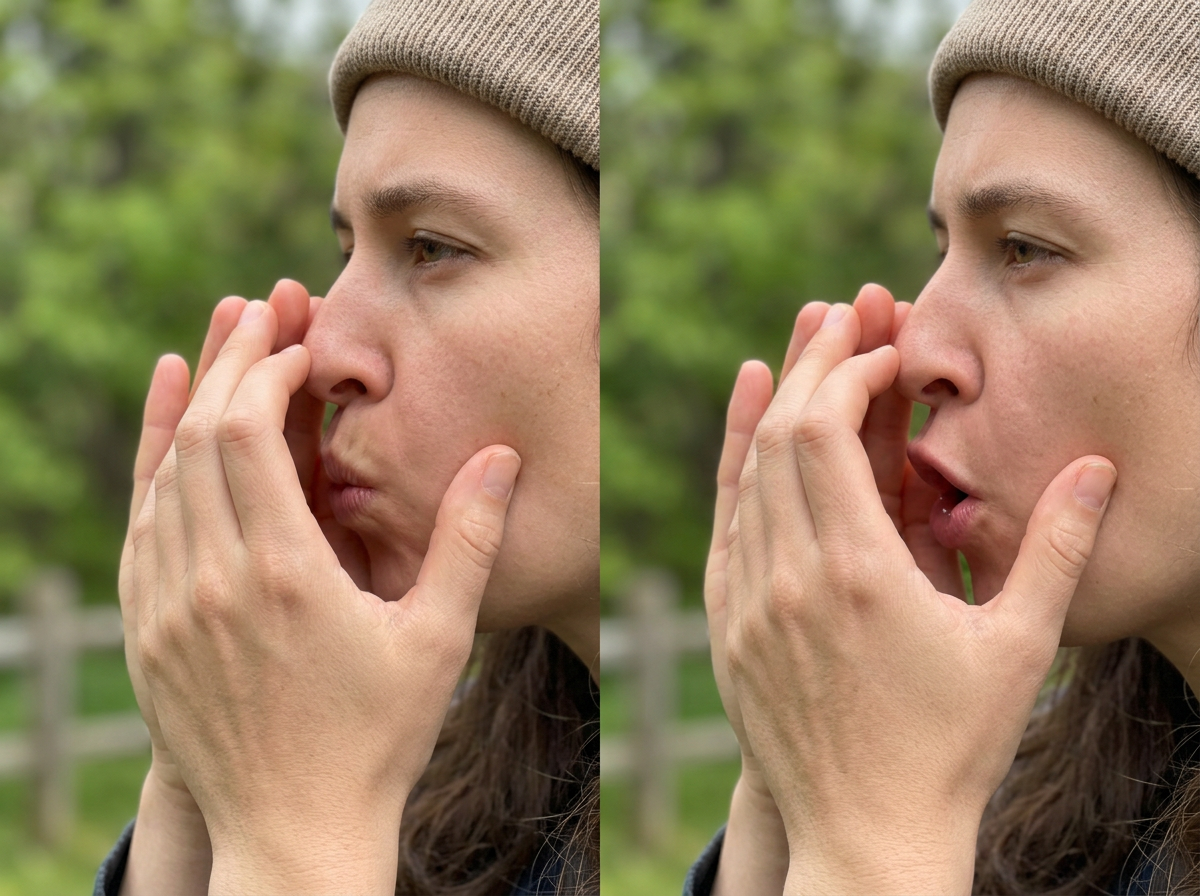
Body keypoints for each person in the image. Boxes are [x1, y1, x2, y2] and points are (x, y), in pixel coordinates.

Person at [688, 0, 1200, 893]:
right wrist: (790, 781)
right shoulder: (1048, 805)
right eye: (945, 248)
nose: (918, 351)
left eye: (1024, 248)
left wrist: (871, 845)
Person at [94, 1, 599, 894]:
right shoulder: (433, 796)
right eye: (348, 250)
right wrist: (197, 774)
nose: (323, 354)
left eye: (431, 247)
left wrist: (293, 837)